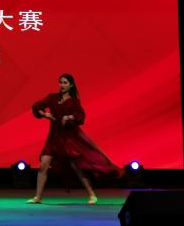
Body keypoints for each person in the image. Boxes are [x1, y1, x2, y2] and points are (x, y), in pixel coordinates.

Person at [27, 74, 123, 205]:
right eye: (60, 82)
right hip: (53, 138)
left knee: (77, 167)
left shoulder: (74, 101)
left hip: (69, 140)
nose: (62, 85)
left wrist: (70, 117)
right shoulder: (52, 98)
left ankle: (92, 194)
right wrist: (44, 114)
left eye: (65, 83)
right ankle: (38, 197)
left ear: (71, 85)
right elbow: (36, 106)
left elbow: (80, 116)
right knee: (43, 165)